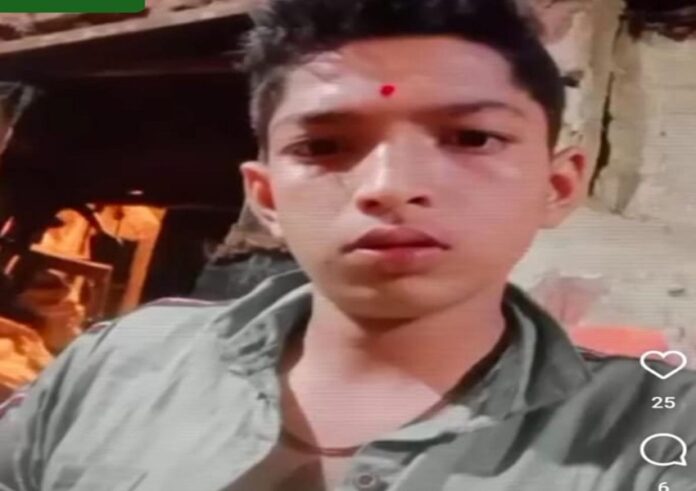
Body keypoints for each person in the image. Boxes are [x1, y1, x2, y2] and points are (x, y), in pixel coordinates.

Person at [1, 0, 695, 490]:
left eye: (471, 137)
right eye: (324, 146)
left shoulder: (660, 428)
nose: (390, 187)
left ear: (558, 183)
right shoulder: (120, 363)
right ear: (266, 198)